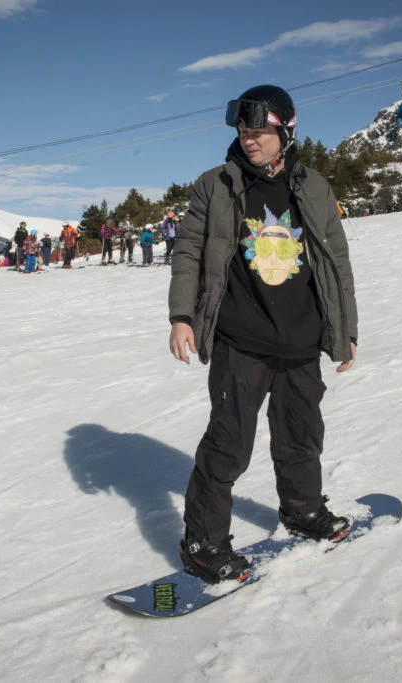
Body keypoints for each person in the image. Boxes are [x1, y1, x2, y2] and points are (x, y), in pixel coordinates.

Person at [167, 84, 358, 584]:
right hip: (240, 341)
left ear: (285, 131)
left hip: (300, 339)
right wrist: (181, 315)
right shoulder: (216, 186)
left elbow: (336, 261)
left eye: (258, 133)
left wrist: (346, 330)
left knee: (301, 437)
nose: (248, 141)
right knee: (229, 443)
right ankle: (203, 541)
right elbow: (188, 251)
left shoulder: (313, 186)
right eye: (242, 133)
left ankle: (302, 511)